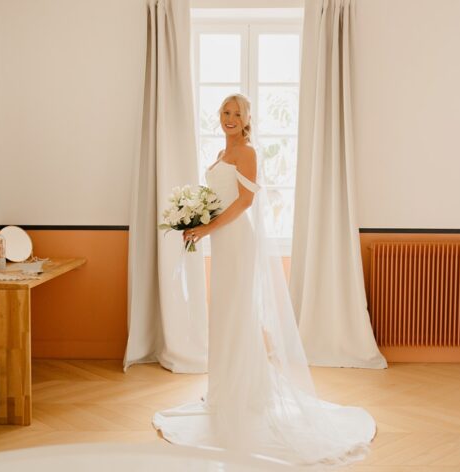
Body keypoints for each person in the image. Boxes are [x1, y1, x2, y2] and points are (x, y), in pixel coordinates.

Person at [153, 94, 376, 466]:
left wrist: (206, 227)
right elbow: (218, 198)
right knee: (224, 312)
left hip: (237, 239)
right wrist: (194, 221)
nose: (229, 118)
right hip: (222, 240)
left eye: (236, 113)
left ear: (247, 119)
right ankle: (224, 388)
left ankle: (246, 391)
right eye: (225, 111)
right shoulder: (222, 154)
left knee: (238, 311)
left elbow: (244, 202)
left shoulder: (247, 152)